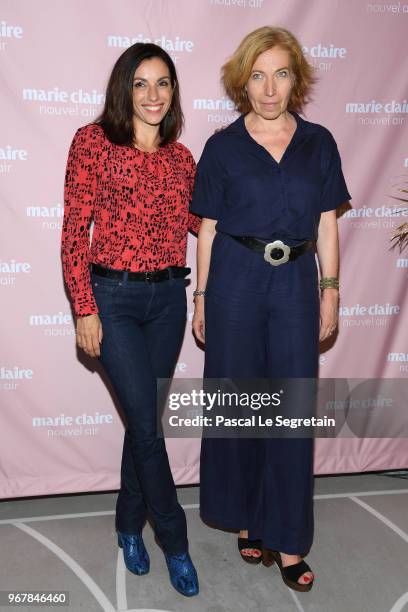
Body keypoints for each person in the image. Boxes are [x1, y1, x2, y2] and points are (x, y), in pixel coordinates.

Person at [191, 26, 351, 592]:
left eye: (280, 73)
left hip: (294, 287)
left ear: (296, 80)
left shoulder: (319, 143)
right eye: (257, 75)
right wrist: (202, 297)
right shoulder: (221, 147)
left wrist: (330, 289)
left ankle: (287, 540)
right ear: (242, 82)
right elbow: (207, 230)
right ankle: (244, 519)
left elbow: (328, 221)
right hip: (235, 278)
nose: (268, 87)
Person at [61, 43, 200, 597]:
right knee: (147, 427)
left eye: (162, 83)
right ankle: (177, 543)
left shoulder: (182, 158)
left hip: (169, 301)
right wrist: (84, 307)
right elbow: (74, 230)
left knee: (141, 423)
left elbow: (201, 222)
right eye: (140, 83)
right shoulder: (94, 142)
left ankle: (127, 527)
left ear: (174, 91)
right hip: (112, 298)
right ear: (124, 88)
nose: (152, 95)